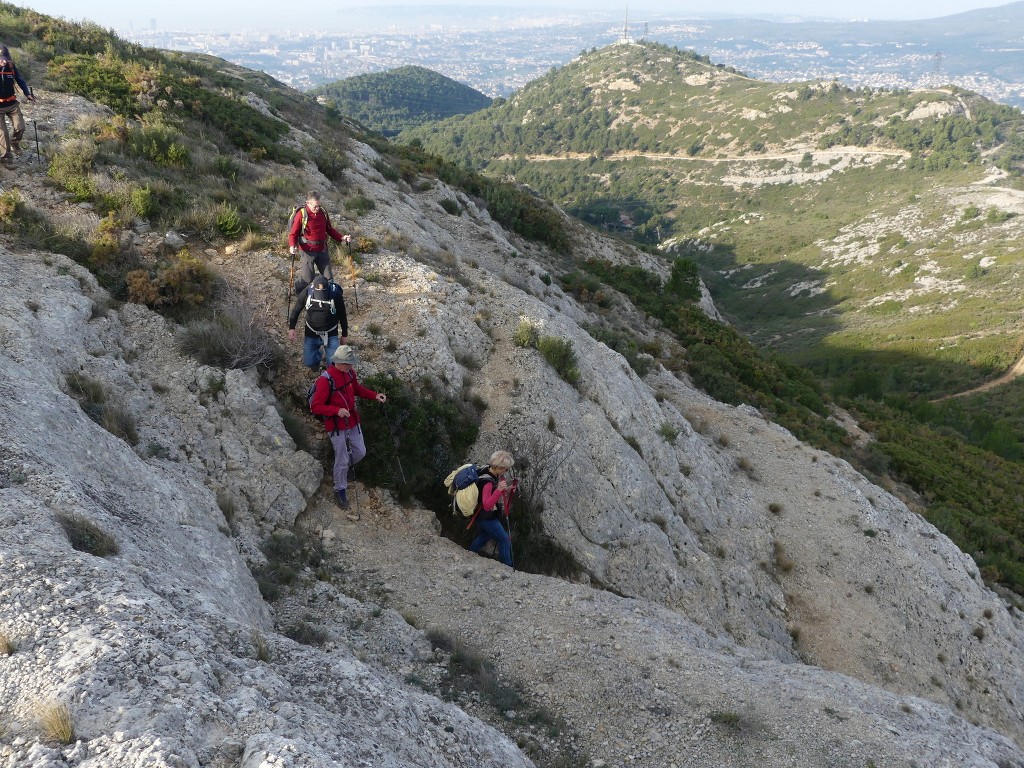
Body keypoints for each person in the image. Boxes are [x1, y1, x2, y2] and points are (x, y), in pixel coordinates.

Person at [309, 345, 386, 510]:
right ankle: (340, 489)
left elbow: (357, 389)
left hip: (352, 421)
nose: (352, 366)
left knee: (360, 451)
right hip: (336, 425)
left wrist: (374, 395)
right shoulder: (325, 380)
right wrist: (336, 410)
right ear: (340, 363)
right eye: (349, 364)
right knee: (342, 459)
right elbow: (316, 406)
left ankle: (340, 470)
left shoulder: (349, 373)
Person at [288, 192, 350, 286]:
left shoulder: (323, 212)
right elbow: (293, 233)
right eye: (315, 206)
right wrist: (292, 246)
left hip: (322, 250)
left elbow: (329, 229)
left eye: (319, 205)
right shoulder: (302, 214)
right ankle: (299, 293)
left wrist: (341, 237)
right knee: (307, 279)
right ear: (308, 203)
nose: (317, 208)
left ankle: (329, 298)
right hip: (307, 251)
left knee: (328, 278)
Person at [288, 274, 348, 369]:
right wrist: (292, 328)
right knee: (308, 363)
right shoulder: (307, 292)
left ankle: (329, 376)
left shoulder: (335, 294)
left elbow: (342, 315)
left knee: (333, 366)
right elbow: (296, 310)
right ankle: (317, 359)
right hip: (311, 333)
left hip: (331, 334)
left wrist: (344, 335)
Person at [468, 450, 516, 568]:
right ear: (499, 467)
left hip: (480, 515)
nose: (506, 471)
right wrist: (499, 490)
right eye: (506, 469)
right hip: (486, 517)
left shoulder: (486, 470)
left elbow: (488, 494)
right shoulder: (487, 482)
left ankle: (469, 553)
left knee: (486, 535)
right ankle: (508, 567)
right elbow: (487, 504)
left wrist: (506, 489)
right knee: (504, 540)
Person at [0, 45, 34, 166]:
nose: (4, 61)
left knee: (20, 127)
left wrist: (27, 94)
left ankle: (15, 142)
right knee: (2, 133)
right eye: (1, 59)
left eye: (5, 58)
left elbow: (20, 80)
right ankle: (6, 159)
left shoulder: (11, 66)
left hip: (12, 103)